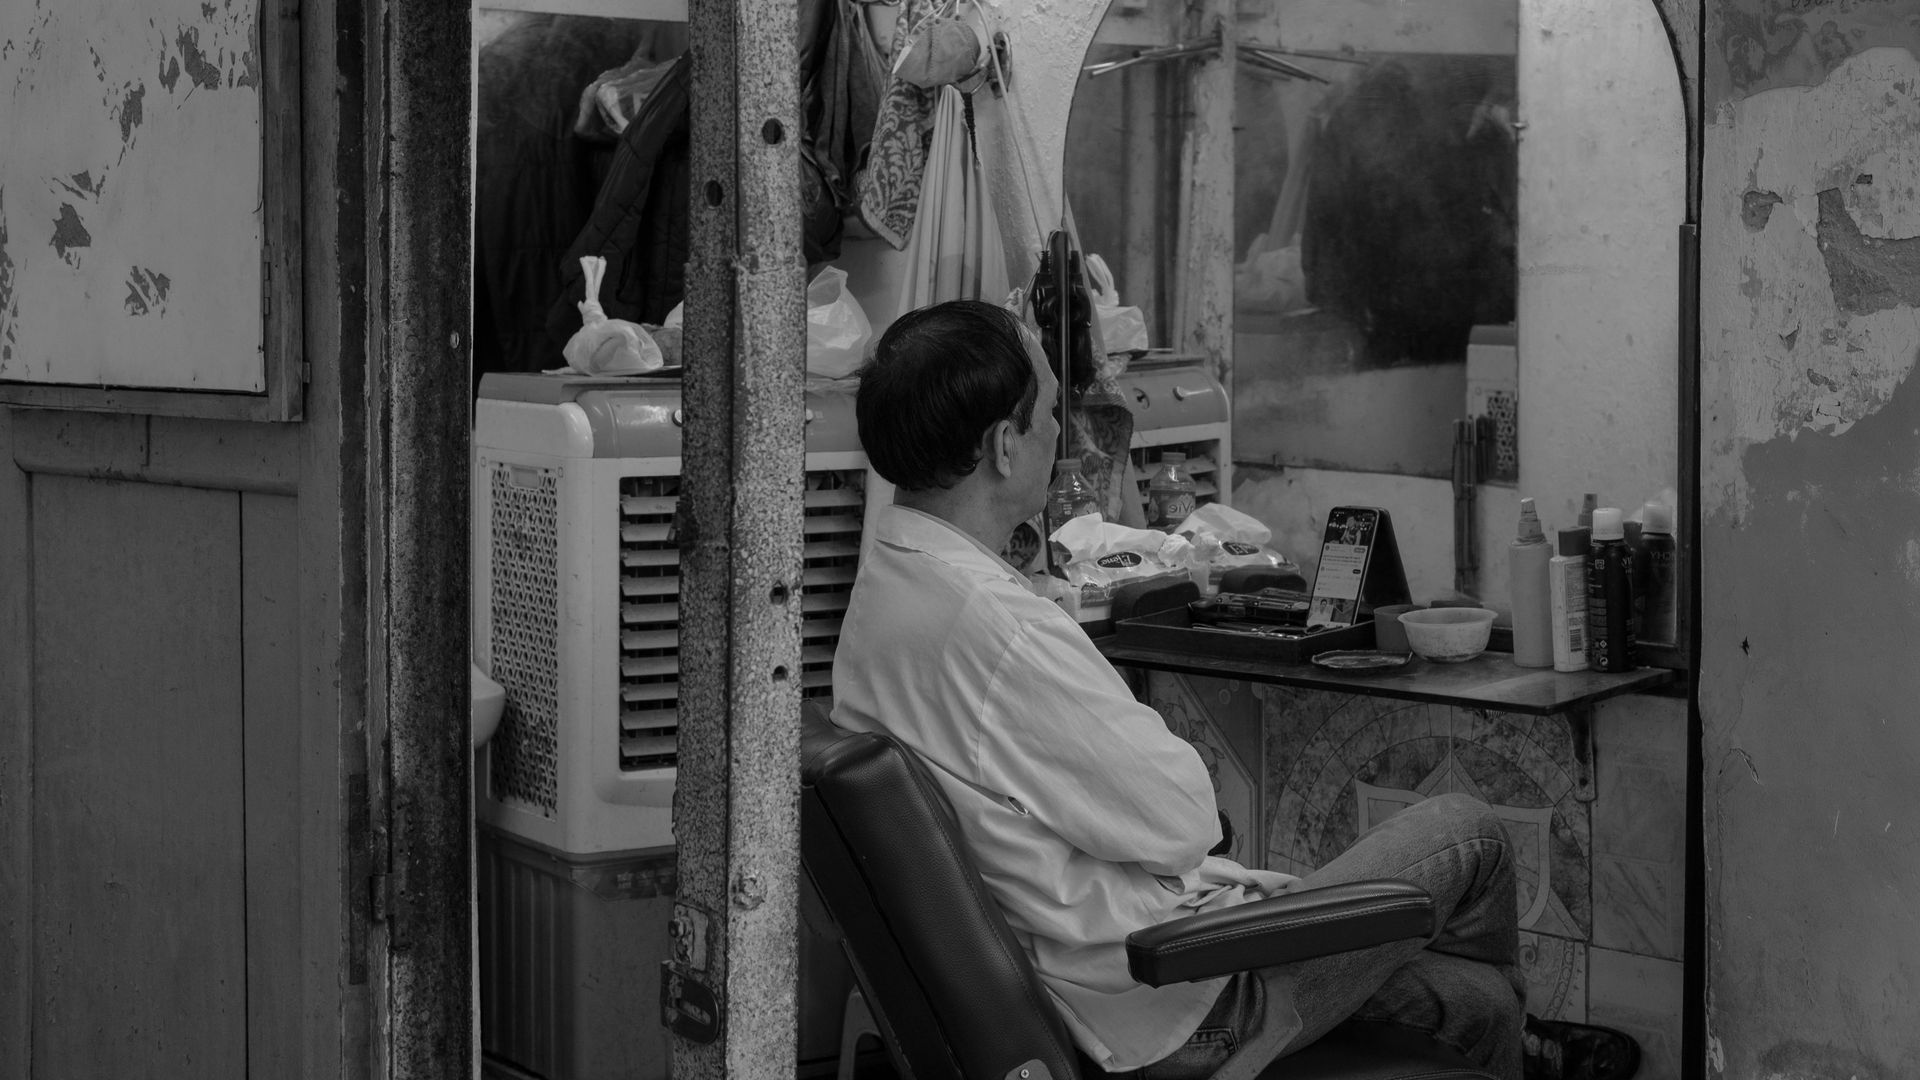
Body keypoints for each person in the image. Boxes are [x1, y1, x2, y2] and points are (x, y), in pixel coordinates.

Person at [830, 299, 1637, 1080]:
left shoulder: (885, 594)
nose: (1058, 432)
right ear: (1005, 446)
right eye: (1046, 412)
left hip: (1086, 985)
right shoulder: (999, 628)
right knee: (1469, 832)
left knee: (1476, 1005)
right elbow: (1185, 821)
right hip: (1172, 1004)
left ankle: (1517, 1038)